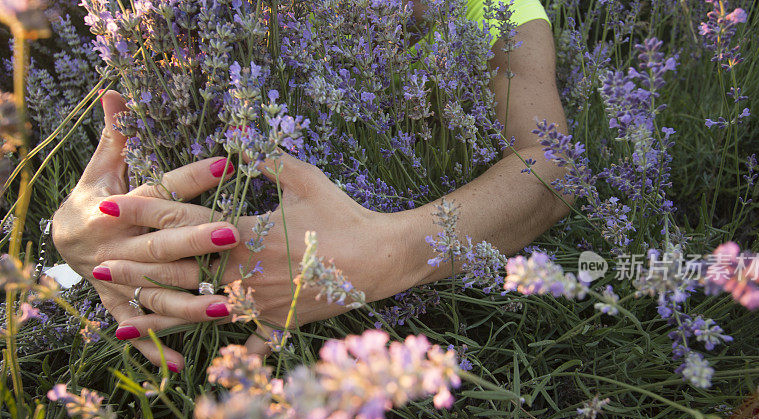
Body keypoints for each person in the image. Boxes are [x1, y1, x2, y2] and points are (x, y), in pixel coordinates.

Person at [51, 0, 571, 372]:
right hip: (186, 348)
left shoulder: (493, 10)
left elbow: (553, 164)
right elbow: (122, 148)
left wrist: (383, 254)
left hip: (405, 339)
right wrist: (90, 229)